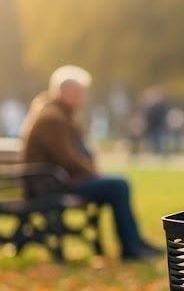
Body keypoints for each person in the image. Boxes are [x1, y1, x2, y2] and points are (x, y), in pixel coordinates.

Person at [21, 65, 161, 261]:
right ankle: (131, 245)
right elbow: (68, 158)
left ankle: (134, 242)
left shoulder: (58, 114)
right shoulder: (53, 118)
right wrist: (94, 172)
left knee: (117, 184)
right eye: (78, 92)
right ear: (63, 92)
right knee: (118, 185)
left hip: (58, 181)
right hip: (53, 185)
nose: (82, 97)